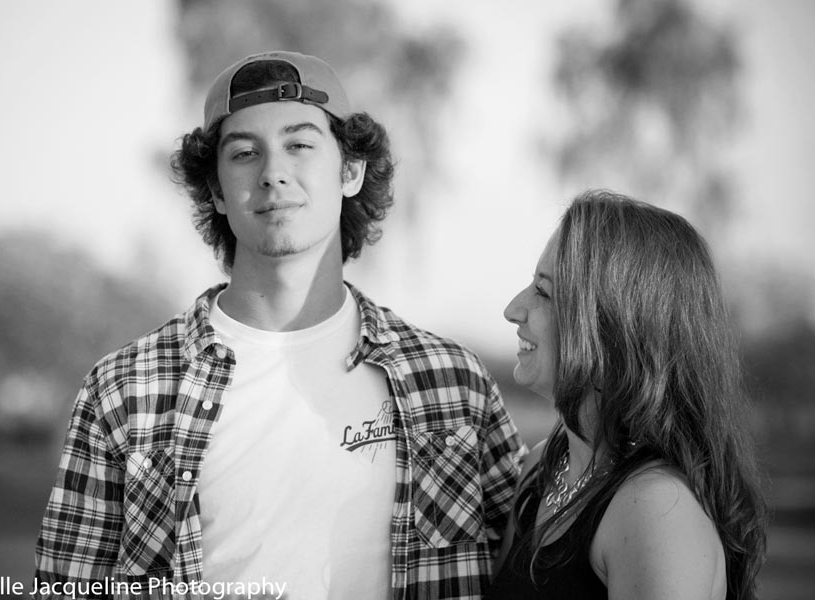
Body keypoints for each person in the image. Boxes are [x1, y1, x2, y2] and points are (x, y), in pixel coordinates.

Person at [34, 50, 527, 600]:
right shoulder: (126, 390)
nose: (273, 173)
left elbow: (537, 568)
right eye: (244, 153)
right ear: (216, 191)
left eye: (299, 144)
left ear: (351, 170)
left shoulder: (453, 383)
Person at [488, 190, 767, 600]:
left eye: (544, 292)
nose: (513, 309)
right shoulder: (542, 468)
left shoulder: (656, 511)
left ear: (613, 326)